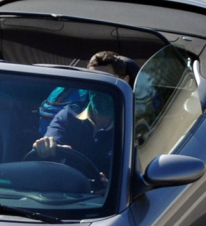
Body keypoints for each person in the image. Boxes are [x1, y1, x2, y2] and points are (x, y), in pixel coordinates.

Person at [31, 51, 137, 179]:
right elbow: (52, 140)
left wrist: (110, 186)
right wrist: (45, 146)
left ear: (125, 82)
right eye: (93, 81)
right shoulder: (68, 116)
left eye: (106, 83)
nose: (98, 90)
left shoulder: (131, 128)